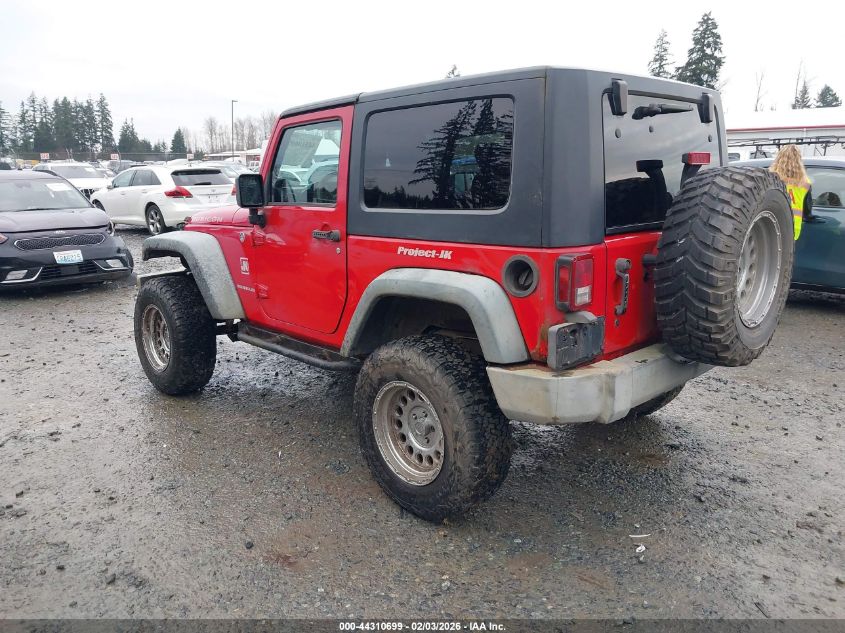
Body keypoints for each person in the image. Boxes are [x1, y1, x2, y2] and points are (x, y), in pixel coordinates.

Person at [769, 145, 812, 240]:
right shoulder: (806, 183)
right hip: (793, 229)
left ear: (779, 158)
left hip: (772, 226)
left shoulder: (771, 179)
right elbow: (807, 211)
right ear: (799, 160)